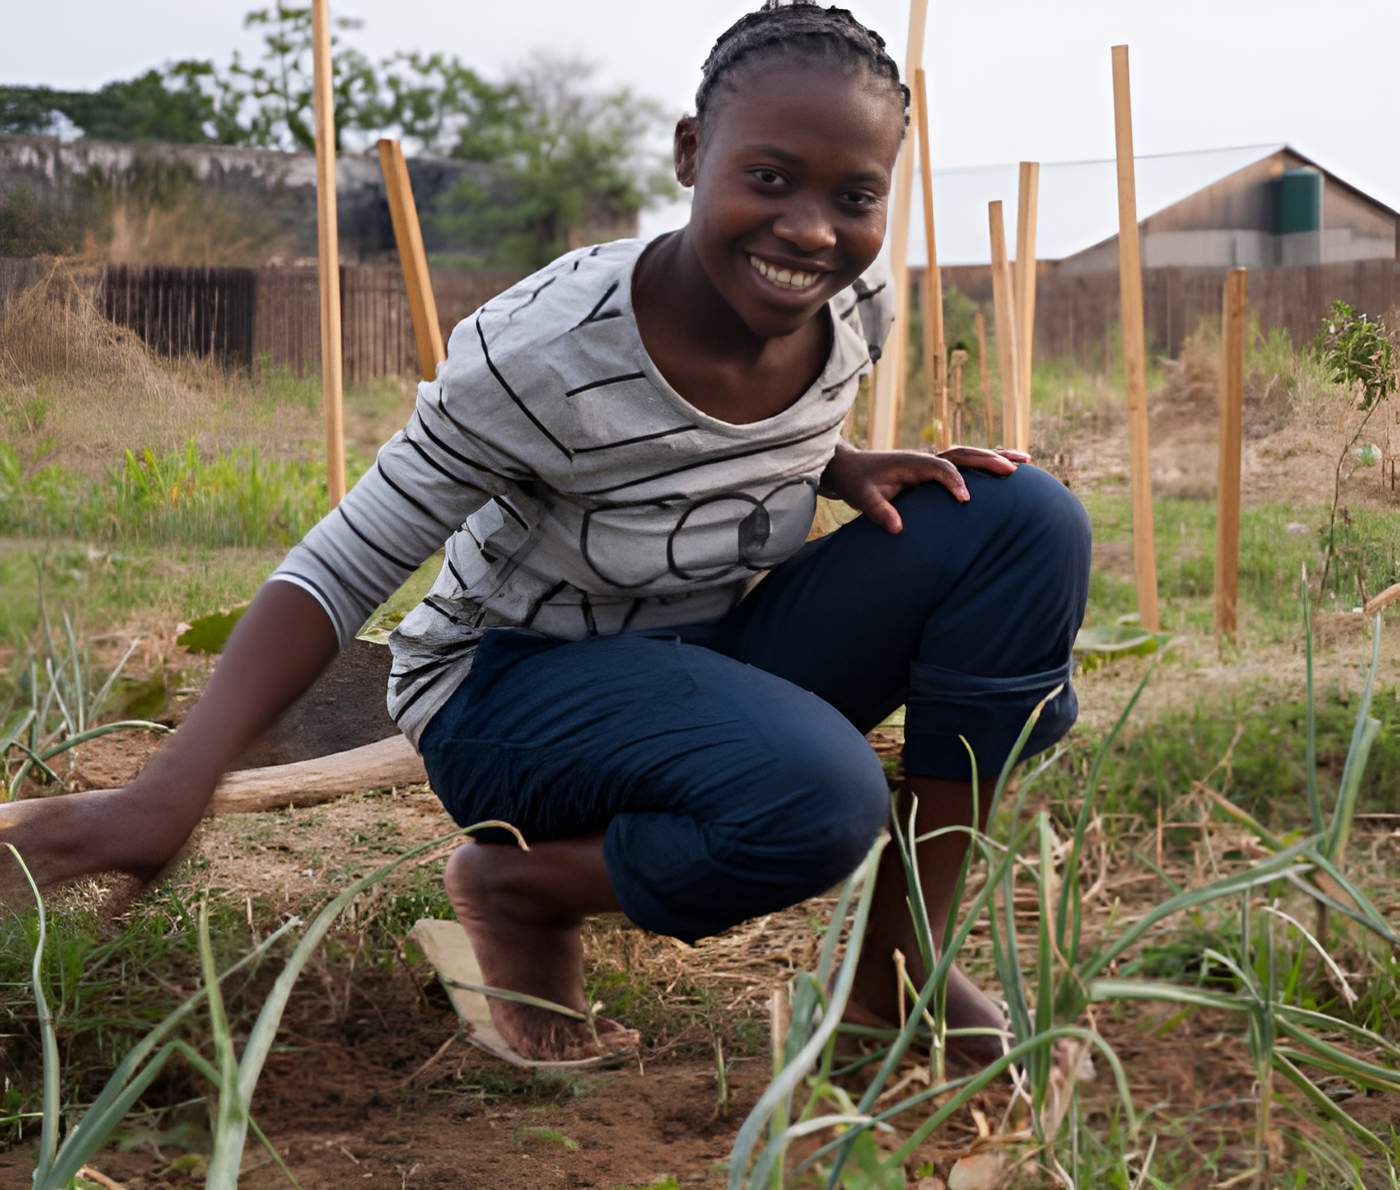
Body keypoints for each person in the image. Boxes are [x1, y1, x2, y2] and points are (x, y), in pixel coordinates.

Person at [0, 1, 1089, 1066]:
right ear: (688, 151)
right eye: (767, 177)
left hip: (697, 651)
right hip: (508, 694)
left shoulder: (851, 308)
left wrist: (836, 464)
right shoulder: (541, 354)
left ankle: (892, 976)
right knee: (819, 799)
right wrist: (167, 788)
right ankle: (520, 887)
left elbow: (722, 447)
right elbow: (340, 565)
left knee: (1018, 520)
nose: (809, 228)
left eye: (852, 194)